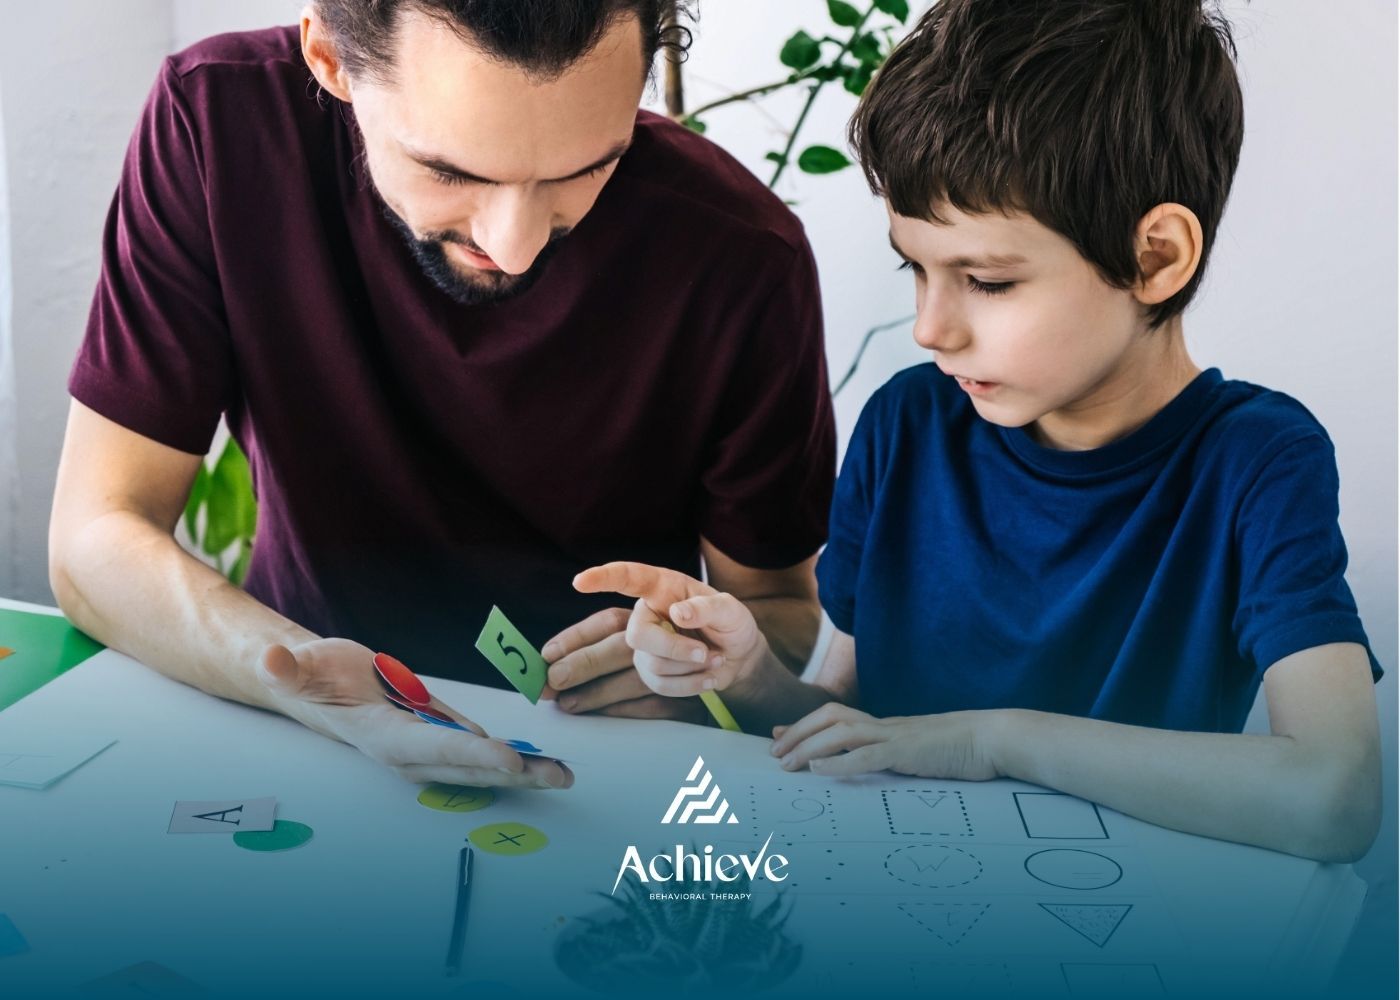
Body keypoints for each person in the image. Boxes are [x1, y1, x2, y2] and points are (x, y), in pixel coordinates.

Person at [577, 0, 1384, 862]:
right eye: (915, 268)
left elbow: (1334, 799)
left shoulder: (1258, 463)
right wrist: (748, 676)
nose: (931, 328)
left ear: (1156, 258)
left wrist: (992, 741)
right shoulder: (907, 425)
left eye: (988, 280)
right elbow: (848, 727)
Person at [48, 1, 834, 791]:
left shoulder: (741, 256)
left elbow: (778, 607)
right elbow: (96, 533)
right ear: (327, 57)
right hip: (290, 723)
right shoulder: (217, 120)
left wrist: (706, 662)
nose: (515, 244)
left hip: (604, 769)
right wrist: (296, 677)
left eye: (585, 168)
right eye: (451, 171)